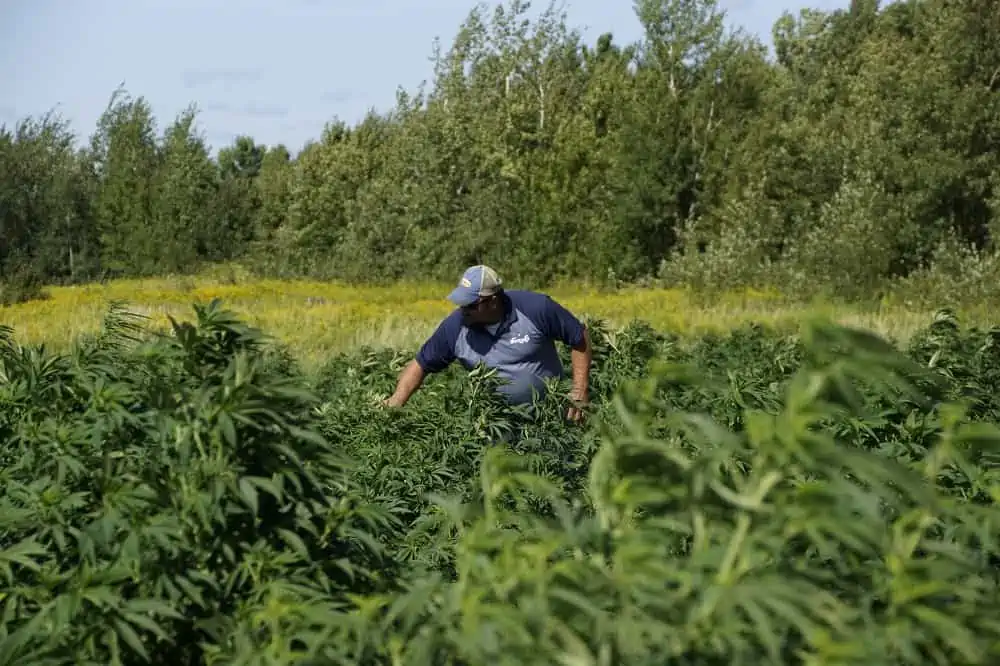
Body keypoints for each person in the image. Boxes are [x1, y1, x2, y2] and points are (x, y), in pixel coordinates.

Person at [383, 265, 592, 422]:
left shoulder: (536, 308)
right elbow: (421, 364)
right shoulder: (455, 326)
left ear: (492, 300)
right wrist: (395, 402)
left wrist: (579, 389)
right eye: (461, 303)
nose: (463, 309)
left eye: (471, 305)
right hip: (495, 424)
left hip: (549, 418)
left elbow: (578, 336)